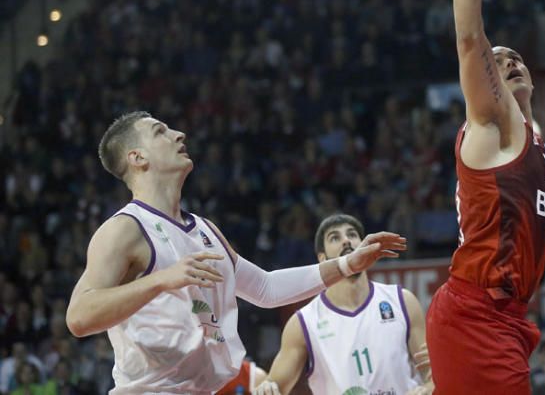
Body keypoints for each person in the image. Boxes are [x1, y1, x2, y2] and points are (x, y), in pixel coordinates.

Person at [66, 112, 406, 395]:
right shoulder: (125, 229)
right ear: (137, 158)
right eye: (160, 132)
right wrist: (160, 281)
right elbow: (79, 317)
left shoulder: (205, 229)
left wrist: (348, 263)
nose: (179, 134)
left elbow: (267, 289)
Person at [425, 0, 545, 393]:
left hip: (504, 312)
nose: (508, 62)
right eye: (498, 62)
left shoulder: (535, 136)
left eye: (516, 57)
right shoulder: (494, 124)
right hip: (476, 310)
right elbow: (468, 36)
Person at [253, 213, 433, 395]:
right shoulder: (303, 322)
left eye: (352, 234)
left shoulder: (402, 301)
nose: (346, 240)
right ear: (322, 258)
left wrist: (427, 388)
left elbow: (433, 374)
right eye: (335, 238)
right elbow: (275, 384)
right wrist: (267, 387)